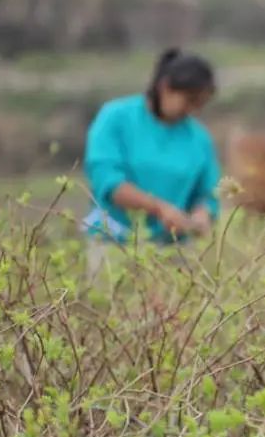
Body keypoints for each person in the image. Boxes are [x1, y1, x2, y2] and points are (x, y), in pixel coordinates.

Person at [82, 48, 220, 273]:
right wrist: (159, 209)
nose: (192, 110)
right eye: (189, 100)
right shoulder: (116, 118)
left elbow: (209, 193)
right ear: (165, 87)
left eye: (200, 104)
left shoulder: (198, 137)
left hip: (174, 252)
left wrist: (202, 214)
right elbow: (108, 182)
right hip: (115, 245)